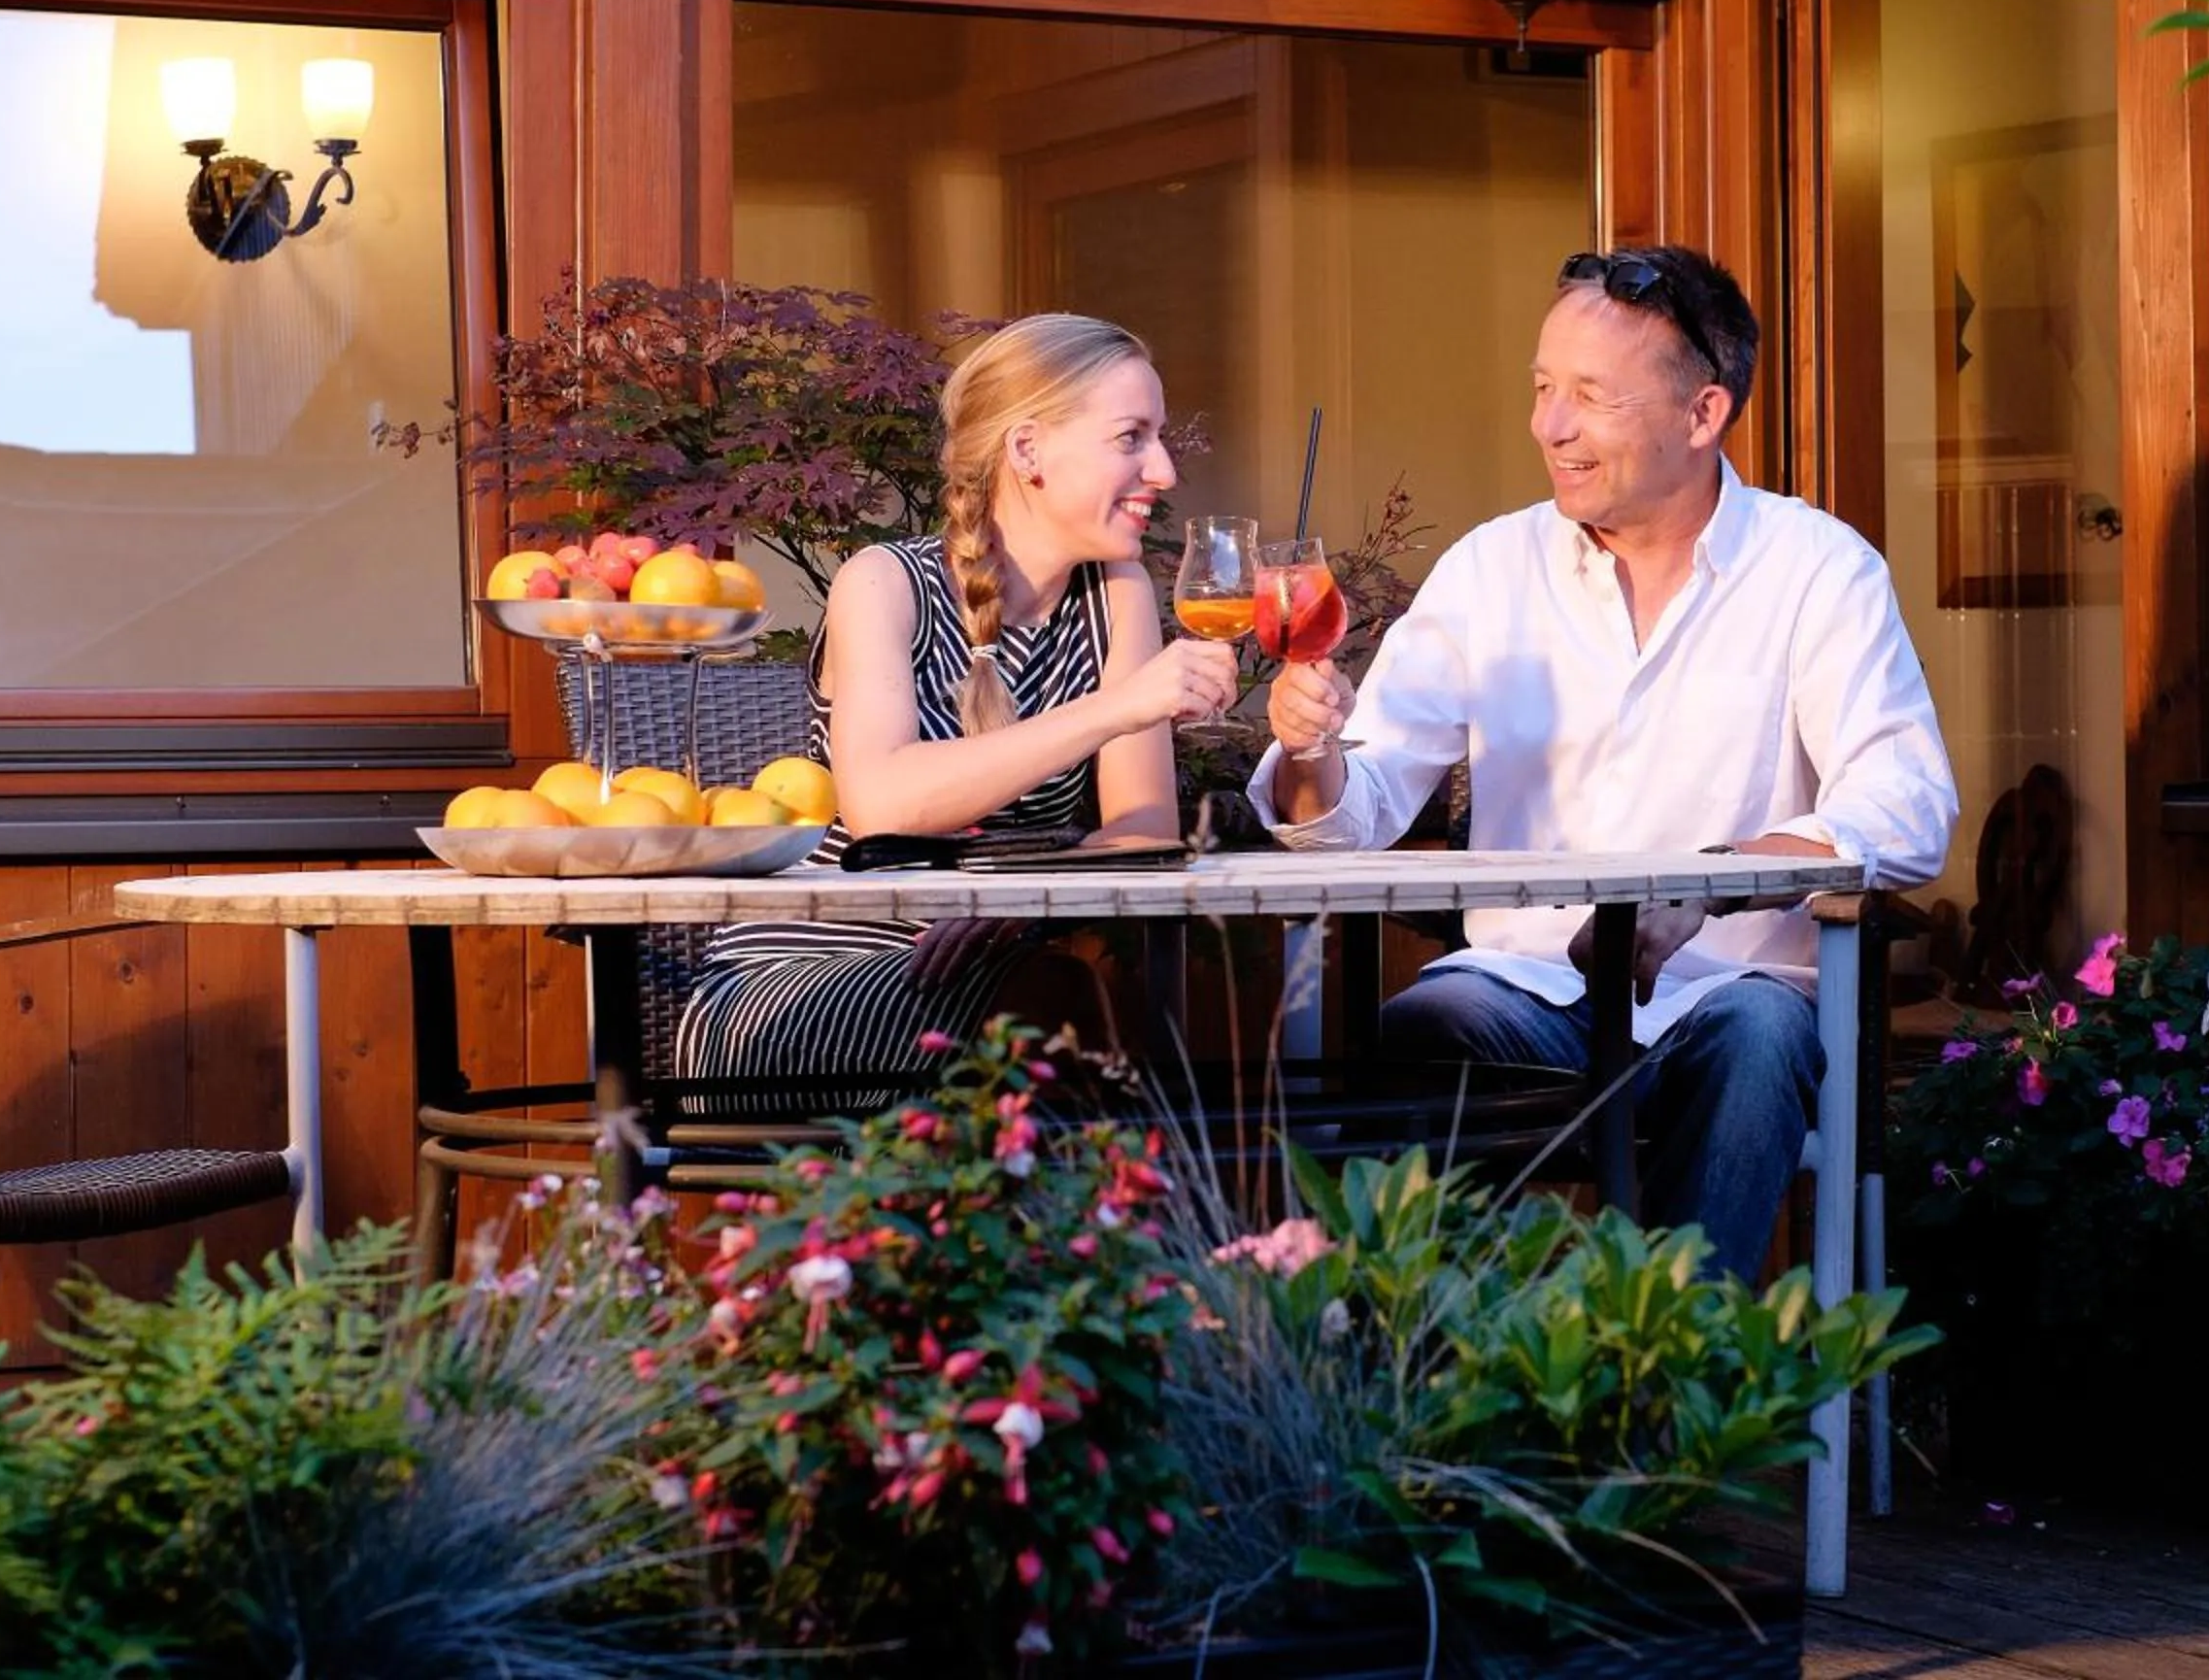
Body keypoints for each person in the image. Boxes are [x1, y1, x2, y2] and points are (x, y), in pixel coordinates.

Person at [1251, 246, 1957, 1279]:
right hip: (1520, 994)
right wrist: (1309, 745)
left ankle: (1667, 1397)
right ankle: (1446, 1395)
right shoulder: (1493, 569)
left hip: (1733, 991)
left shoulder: (1818, 569)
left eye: (1589, 395)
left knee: (1758, 1038)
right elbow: (1355, 804)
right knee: (1421, 1027)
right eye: (1543, 388)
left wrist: (1709, 884)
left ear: (1702, 414)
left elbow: (1905, 807)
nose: (1550, 426)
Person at [678, 312, 1238, 1087]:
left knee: (1070, 1012)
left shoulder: (1117, 594)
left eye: (1160, 436)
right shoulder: (883, 583)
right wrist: (1118, 708)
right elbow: (883, 804)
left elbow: (1142, 836)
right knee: (1061, 1010)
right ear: (1028, 449)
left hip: (994, 977)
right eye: (1131, 437)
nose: (1166, 470)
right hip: (800, 981)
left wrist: (1028, 903)